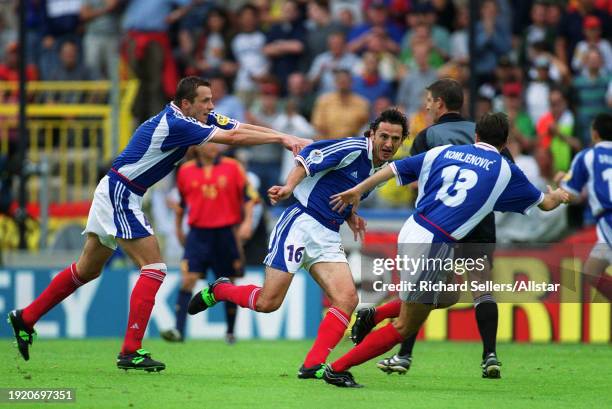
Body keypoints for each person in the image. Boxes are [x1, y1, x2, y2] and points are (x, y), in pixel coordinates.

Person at [7, 76, 309, 372]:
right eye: (205, 101)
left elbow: (238, 127)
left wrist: (283, 136)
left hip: (117, 190)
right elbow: (232, 139)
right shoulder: (178, 124)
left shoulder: (193, 115)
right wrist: (282, 138)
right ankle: (131, 350)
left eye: (212, 100)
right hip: (121, 193)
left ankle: (26, 317)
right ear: (186, 103)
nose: (211, 106)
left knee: (87, 269)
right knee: (154, 268)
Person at [324, 112, 569, 387]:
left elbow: (394, 169)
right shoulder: (504, 169)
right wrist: (559, 195)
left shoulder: (445, 151)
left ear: (476, 136)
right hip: (434, 244)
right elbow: (546, 204)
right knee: (406, 325)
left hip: (413, 229)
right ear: (505, 142)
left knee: (450, 294)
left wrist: (358, 189)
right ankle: (338, 368)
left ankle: (375, 314)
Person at [187, 109, 409, 379]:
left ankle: (312, 365)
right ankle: (221, 290)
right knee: (268, 303)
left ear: (401, 141)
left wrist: (351, 215)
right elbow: (308, 157)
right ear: (372, 134)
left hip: (328, 234)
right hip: (300, 224)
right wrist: (289, 187)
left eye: (395, 139)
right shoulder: (352, 147)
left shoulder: (378, 168)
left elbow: (344, 188)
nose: (388, 143)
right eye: (383, 136)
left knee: (347, 299)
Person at [354, 78, 509, 378]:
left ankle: (404, 356)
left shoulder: (429, 136)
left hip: (440, 223)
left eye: (428, 100)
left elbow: (416, 176)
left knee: (421, 288)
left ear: (439, 103)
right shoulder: (483, 133)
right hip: (478, 222)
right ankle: (490, 355)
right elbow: (506, 170)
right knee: (482, 288)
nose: (425, 105)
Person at [160, 142, 257, 344]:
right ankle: (178, 330)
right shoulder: (185, 171)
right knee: (188, 279)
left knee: (228, 281)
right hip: (197, 233)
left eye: (217, 143)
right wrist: (178, 228)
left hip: (225, 232)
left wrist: (247, 222)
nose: (214, 146)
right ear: (198, 146)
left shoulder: (233, 167)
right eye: (209, 142)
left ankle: (230, 332)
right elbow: (182, 205)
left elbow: (249, 197)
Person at [559, 113, 612, 301]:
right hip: (606, 223)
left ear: (595, 134)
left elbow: (569, 194)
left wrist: (559, 182)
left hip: (609, 221)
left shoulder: (588, 156)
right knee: (591, 271)